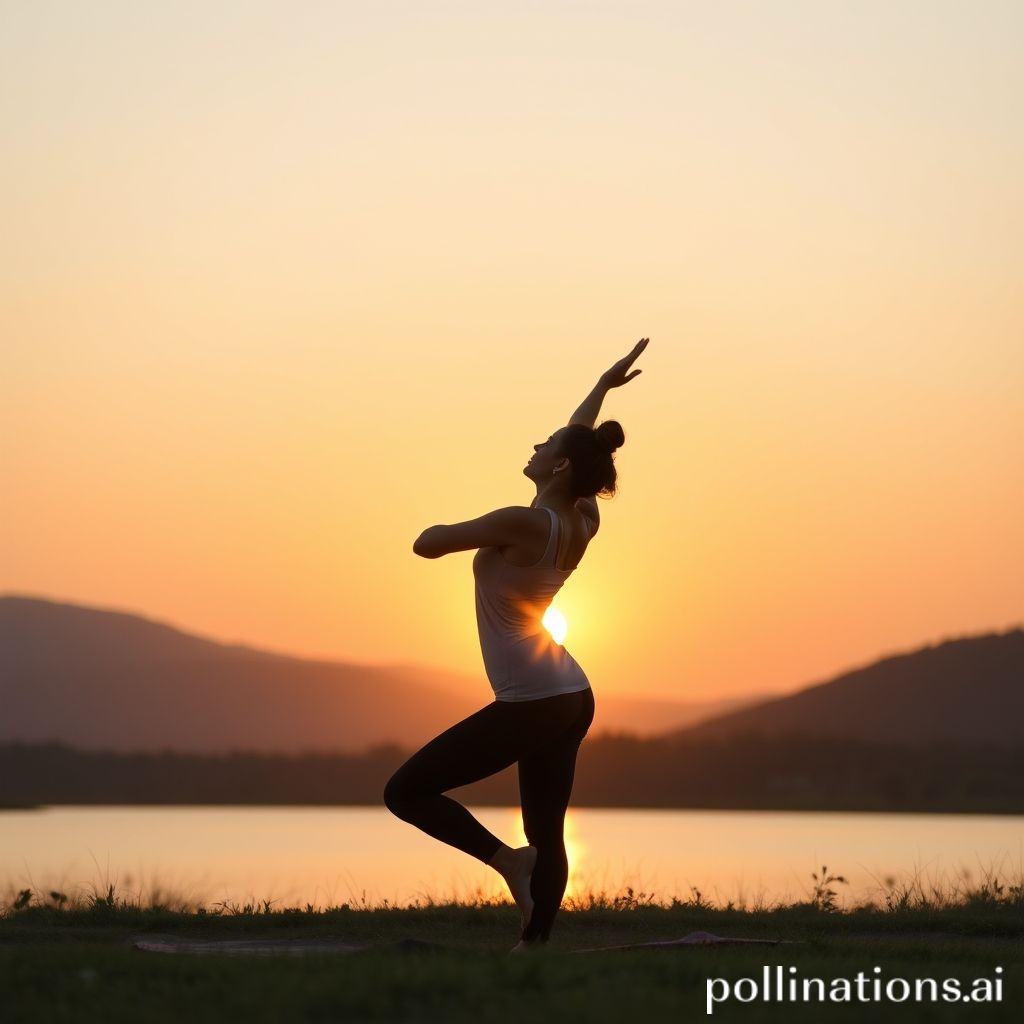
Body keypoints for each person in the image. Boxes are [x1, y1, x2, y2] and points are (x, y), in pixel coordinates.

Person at [383, 337, 649, 951]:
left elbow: (428, 542)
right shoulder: (582, 517)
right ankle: (534, 950)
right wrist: (602, 384)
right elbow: (578, 439)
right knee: (547, 826)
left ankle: (507, 863)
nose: (535, 444)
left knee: (405, 791)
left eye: (544, 444)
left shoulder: (523, 521)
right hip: (570, 693)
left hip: (533, 699)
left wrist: (447, 530)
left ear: (558, 466)